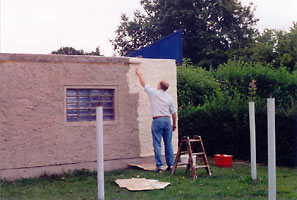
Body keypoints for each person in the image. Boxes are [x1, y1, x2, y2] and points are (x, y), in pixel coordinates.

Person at [135, 68, 177, 172]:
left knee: (157, 143)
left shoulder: (154, 93)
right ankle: (171, 165)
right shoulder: (169, 98)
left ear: (159, 86)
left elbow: (144, 84)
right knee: (168, 143)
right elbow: (174, 112)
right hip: (167, 120)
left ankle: (160, 166)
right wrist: (174, 124)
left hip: (157, 120)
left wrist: (139, 74)